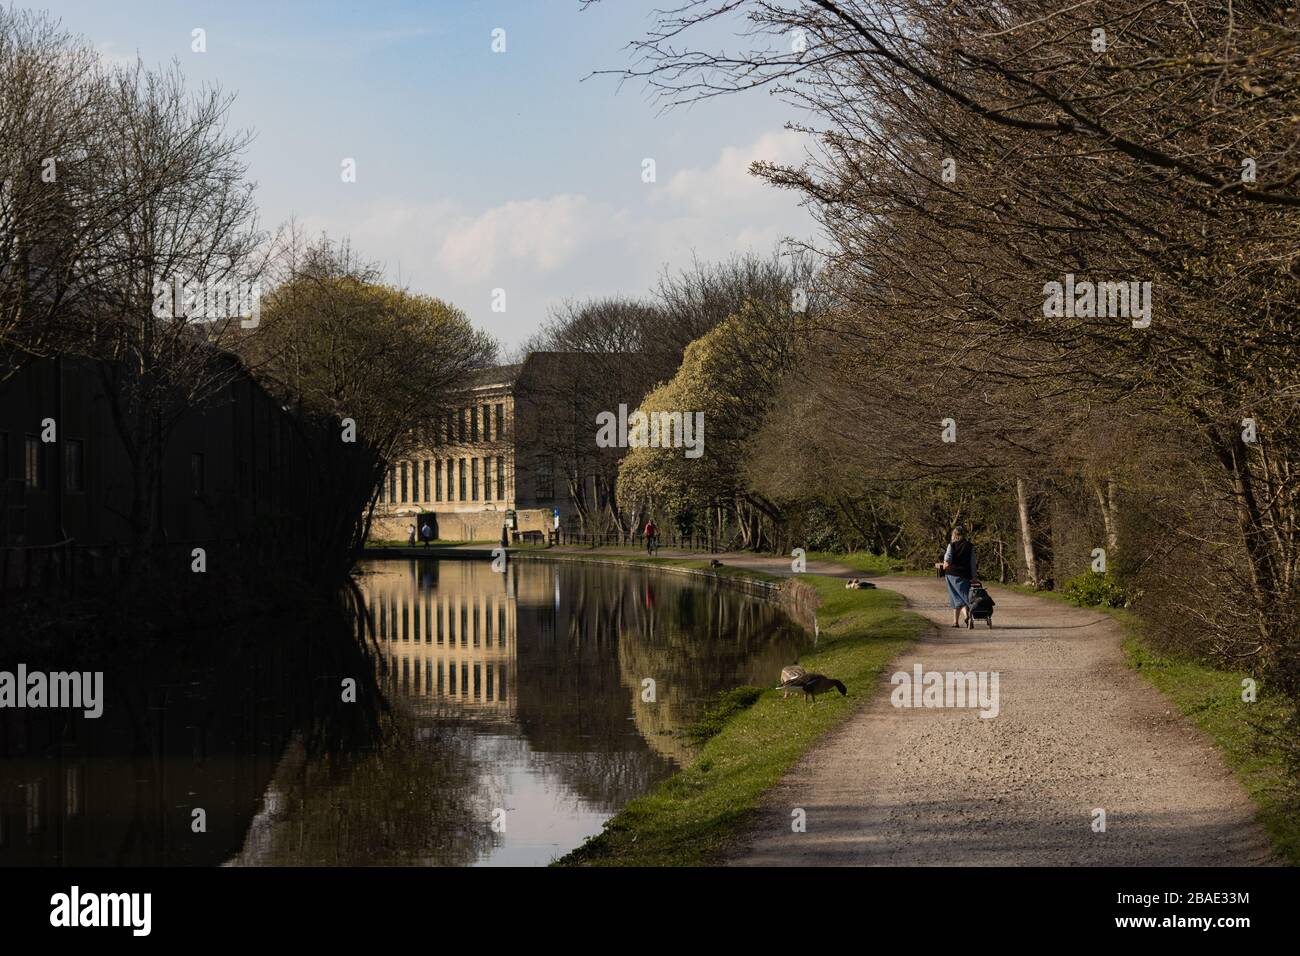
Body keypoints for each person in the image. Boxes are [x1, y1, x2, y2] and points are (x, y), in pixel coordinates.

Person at [934, 526, 976, 627]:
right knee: (960, 596)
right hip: (965, 575)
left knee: (957, 597)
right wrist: (974, 576)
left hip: (952, 574)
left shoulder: (951, 545)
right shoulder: (970, 546)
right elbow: (973, 563)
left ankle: (966, 616)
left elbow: (947, 560)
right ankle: (955, 622)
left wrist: (944, 564)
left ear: (954, 535)